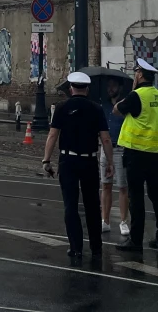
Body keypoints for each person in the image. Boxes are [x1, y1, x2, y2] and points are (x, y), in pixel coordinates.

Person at [41, 72, 114, 259]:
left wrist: (46, 160)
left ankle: (76, 247)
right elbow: (105, 139)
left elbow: (52, 135)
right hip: (89, 160)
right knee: (92, 205)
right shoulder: (97, 109)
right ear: (87, 89)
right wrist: (110, 162)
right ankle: (96, 247)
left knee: (70, 205)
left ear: (71, 88)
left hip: (68, 161)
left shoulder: (61, 107)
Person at [114, 58, 158, 252]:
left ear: (139, 75)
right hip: (154, 154)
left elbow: (117, 110)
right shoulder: (156, 95)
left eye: (136, 72)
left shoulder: (136, 95)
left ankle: (135, 240)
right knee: (157, 195)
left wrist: (129, 92)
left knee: (136, 198)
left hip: (136, 153)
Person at [100, 78, 130, 237]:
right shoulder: (103, 105)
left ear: (119, 87)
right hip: (106, 148)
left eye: (113, 85)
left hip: (121, 148)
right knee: (105, 185)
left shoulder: (125, 105)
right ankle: (105, 220)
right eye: (108, 85)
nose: (110, 88)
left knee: (123, 186)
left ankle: (124, 221)